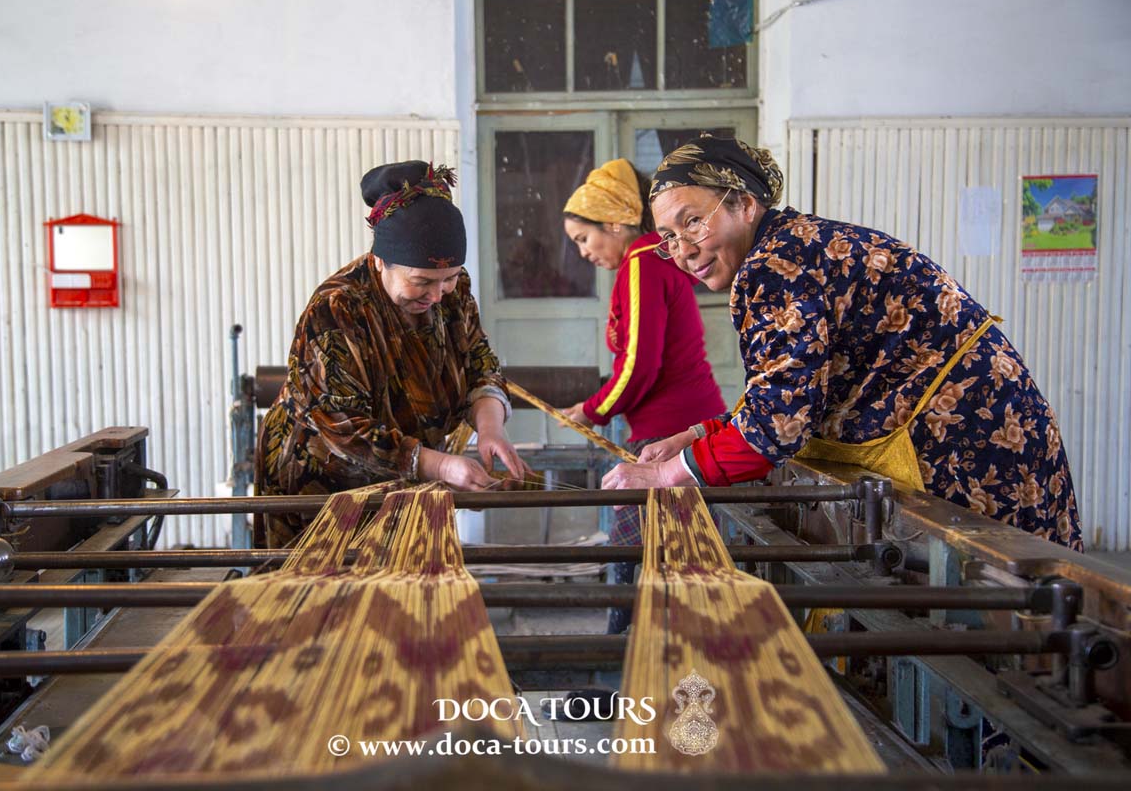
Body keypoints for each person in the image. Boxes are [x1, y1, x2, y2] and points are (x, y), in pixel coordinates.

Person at [602, 134, 1083, 551]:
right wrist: (697, 436)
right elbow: (788, 392)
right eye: (668, 236)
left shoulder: (778, 265)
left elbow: (778, 426)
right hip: (987, 421)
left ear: (744, 205)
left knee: (1010, 595)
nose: (683, 252)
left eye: (692, 222)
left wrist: (667, 475)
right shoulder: (786, 247)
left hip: (971, 435)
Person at [255, 160, 527, 548]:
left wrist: (490, 428)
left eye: (449, 278)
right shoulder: (337, 309)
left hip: (409, 478)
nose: (438, 295)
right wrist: (440, 465)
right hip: (323, 486)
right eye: (422, 281)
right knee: (330, 584)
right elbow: (341, 424)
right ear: (381, 260)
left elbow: (479, 362)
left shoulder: (452, 290)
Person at [560, 158, 726, 635]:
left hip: (668, 435)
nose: (584, 252)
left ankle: (627, 651)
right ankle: (680, 646)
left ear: (615, 223)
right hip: (686, 426)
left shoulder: (641, 264)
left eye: (584, 238)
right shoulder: (654, 259)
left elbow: (639, 365)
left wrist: (592, 410)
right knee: (682, 553)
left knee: (634, 551)